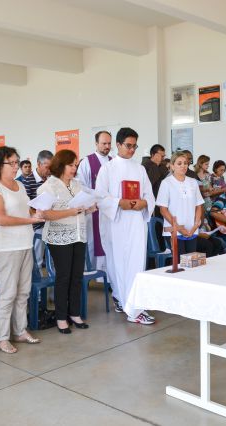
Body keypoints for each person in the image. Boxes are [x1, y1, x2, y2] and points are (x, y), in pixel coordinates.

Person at [0, 147, 43, 353]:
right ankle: (2, 337)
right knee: (8, 293)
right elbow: (0, 218)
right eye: (12, 163)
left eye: (17, 162)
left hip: (25, 243)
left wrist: (37, 213)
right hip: (6, 247)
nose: (16, 166)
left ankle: (20, 330)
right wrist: (30, 220)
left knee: (23, 291)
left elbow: (26, 210)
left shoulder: (20, 185)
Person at [96, 127, 155, 325]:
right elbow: (100, 197)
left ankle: (133, 305)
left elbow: (149, 195)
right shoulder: (108, 169)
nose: (131, 150)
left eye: (134, 146)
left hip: (136, 223)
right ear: (118, 145)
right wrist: (118, 203)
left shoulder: (140, 169)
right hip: (116, 223)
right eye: (128, 145)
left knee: (135, 263)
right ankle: (125, 301)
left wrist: (144, 203)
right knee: (118, 263)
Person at [37, 149, 93, 334]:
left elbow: (81, 208)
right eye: (70, 165)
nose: (74, 169)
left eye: (76, 165)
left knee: (77, 276)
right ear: (61, 165)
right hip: (59, 237)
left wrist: (89, 208)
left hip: (78, 235)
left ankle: (74, 314)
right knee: (64, 277)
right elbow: (45, 214)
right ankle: (61, 317)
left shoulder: (77, 184)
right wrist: (71, 211)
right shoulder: (49, 186)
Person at [76, 131, 112, 274]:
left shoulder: (113, 161)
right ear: (96, 143)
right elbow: (81, 185)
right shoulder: (87, 162)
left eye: (109, 143)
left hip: (109, 209)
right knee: (93, 240)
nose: (107, 146)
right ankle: (93, 272)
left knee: (109, 239)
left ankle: (108, 273)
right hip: (94, 209)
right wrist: (97, 195)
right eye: (104, 143)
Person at [156, 152, 204, 255]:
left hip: (191, 230)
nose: (183, 166)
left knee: (191, 261)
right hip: (174, 231)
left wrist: (195, 226)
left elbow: (199, 206)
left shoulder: (193, 182)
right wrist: (179, 228)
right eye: (179, 163)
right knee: (180, 261)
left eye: (185, 163)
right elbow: (163, 210)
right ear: (172, 166)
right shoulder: (166, 183)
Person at [19, 150, 53, 267]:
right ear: (38, 164)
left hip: (51, 221)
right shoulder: (28, 181)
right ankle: (38, 277)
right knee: (37, 259)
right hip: (37, 225)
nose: (49, 170)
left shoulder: (51, 179)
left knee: (54, 258)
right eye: (47, 167)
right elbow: (24, 205)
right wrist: (36, 214)